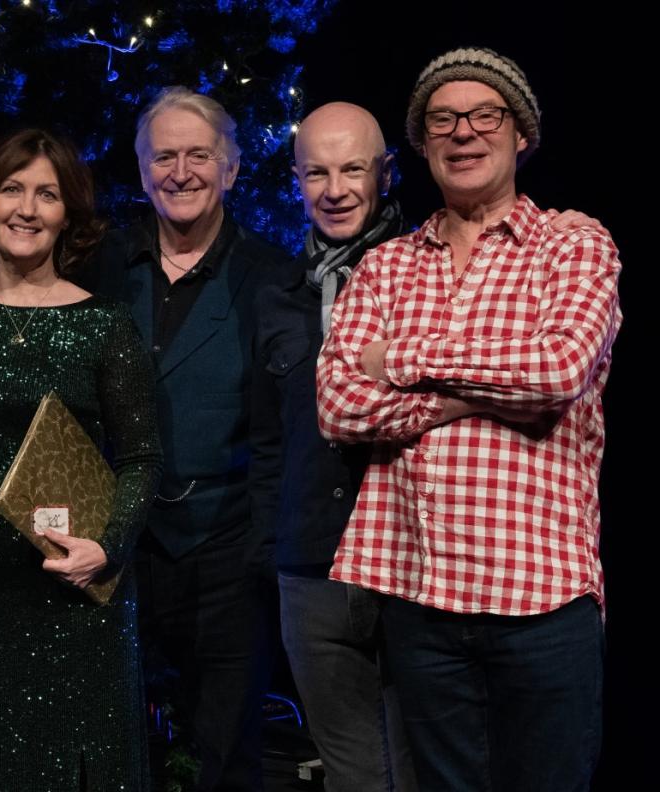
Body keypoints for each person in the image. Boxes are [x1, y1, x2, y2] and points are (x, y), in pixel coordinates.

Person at [316, 47, 620, 791]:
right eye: (442, 120)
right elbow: (340, 404)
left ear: (522, 134)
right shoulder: (386, 266)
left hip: (542, 600)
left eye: (486, 114)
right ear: (421, 146)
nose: (464, 132)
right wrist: (477, 387)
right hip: (421, 600)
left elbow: (555, 372)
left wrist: (407, 360)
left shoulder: (572, 244)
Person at [0, 128, 161, 790]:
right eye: (12, 189)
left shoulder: (106, 324)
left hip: (75, 584)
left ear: (69, 215)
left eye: (48, 194)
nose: (27, 209)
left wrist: (109, 544)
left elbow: (144, 456)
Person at [85, 87, 287, 791]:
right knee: (122, 749)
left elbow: (283, 433)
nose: (180, 172)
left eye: (198, 155)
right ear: (141, 172)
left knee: (224, 757)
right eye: (162, 156)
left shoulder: (272, 277)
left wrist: (263, 549)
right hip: (117, 549)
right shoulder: (102, 268)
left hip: (228, 553)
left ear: (230, 169)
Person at [250, 102, 414, 792]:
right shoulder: (278, 294)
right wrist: (272, 545)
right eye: (316, 172)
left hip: (414, 563)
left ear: (385, 172)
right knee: (353, 776)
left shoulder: (427, 278)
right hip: (310, 566)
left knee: (423, 770)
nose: (336, 189)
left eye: (353, 169)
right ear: (296, 179)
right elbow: (264, 439)